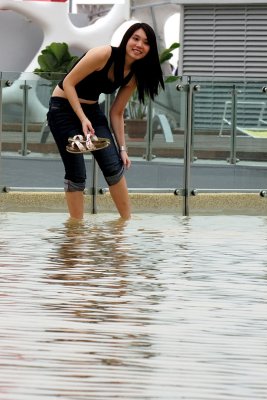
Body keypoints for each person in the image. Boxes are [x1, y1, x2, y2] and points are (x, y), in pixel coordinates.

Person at [47, 22, 164, 220]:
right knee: (77, 171)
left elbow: (117, 112)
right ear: (127, 39)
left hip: (92, 111)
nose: (139, 45)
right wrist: (82, 118)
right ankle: (76, 228)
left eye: (145, 42)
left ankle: (125, 223)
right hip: (63, 108)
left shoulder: (133, 76)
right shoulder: (103, 54)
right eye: (135, 38)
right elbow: (68, 82)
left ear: (150, 49)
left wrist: (123, 149)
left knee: (113, 164)